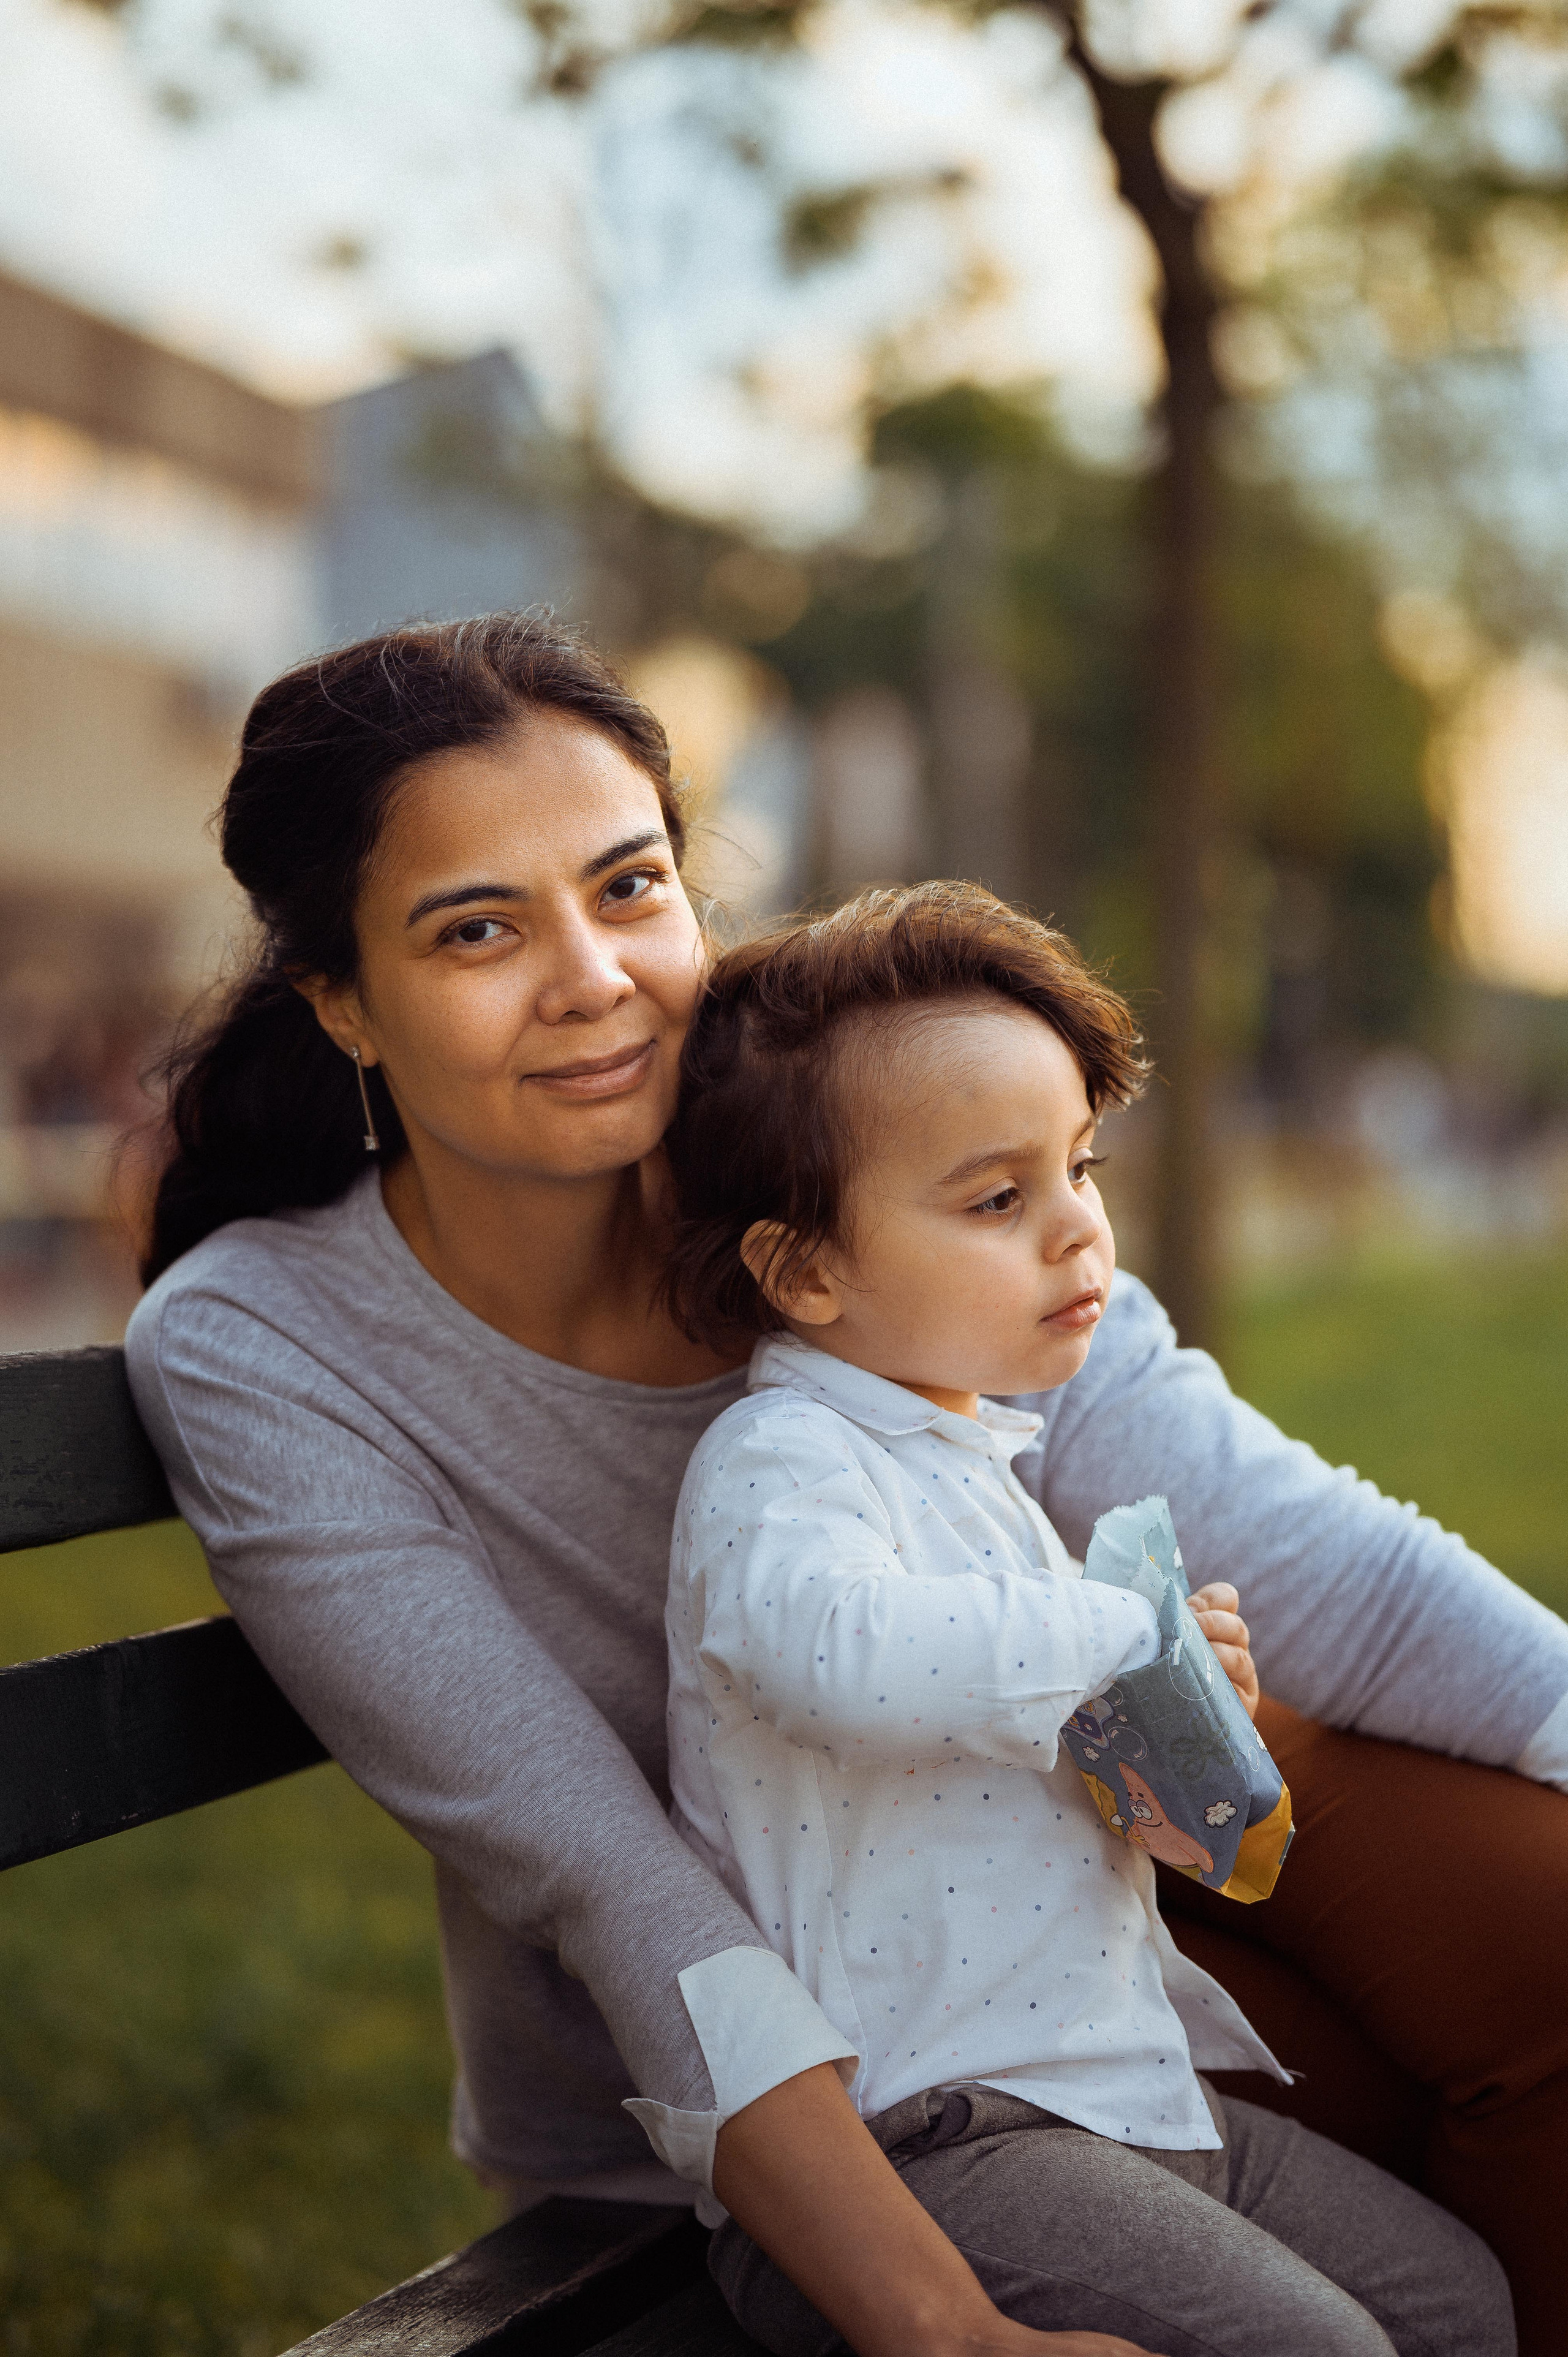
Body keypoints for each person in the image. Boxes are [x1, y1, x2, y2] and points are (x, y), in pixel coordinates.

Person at [123, 613, 1568, 2357]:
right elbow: (605, 1874)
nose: (590, 977)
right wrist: (941, 2329)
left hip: (1086, 1919)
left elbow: (1297, 1542)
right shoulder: (266, 1348)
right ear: (342, 998)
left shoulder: (862, 1134)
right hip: (825, 2098)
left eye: (631, 887)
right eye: (477, 929)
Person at [657, 883, 1513, 2356]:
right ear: (804, 1269)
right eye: (996, 1200)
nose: (1076, 1231)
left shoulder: (985, 1470)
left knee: (1455, 2304)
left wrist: (1180, 1734)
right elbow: (828, 1652)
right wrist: (1101, 1632)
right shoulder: (782, 1460)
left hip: (1113, 2094)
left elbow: (1069, 1812)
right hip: (928, 2140)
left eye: (1076, 1166)